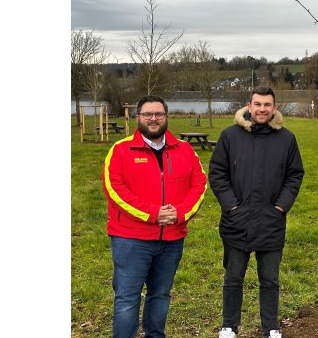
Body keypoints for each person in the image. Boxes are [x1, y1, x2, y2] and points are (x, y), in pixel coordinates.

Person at [102, 95, 208, 338]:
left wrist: (179, 214)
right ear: (137, 117)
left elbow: (199, 185)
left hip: (171, 239)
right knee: (127, 299)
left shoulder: (185, 150)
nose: (153, 118)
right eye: (147, 114)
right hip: (131, 239)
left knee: (160, 295)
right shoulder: (120, 151)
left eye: (158, 114)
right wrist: (152, 214)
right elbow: (114, 189)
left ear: (166, 117)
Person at [209, 87, 304, 338]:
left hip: (271, 221)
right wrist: (231, 206)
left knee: (270, 280)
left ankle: (271, 328)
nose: (262, 109)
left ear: (275, 107)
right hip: (236, 221)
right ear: (249, 106)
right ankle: (229, 326)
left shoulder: (287, 139)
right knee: (233, 277)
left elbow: (295, 175)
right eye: (258, 104)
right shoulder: (229, 136)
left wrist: (281, 206)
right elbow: (218, 174)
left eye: (267, 105)